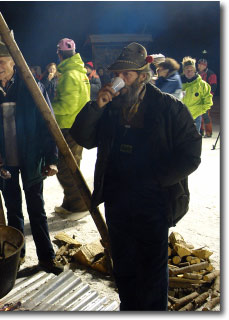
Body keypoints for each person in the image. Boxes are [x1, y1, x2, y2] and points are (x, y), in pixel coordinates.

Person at [70, 42, 202, 310]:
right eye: (116, 74)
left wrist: (156, 179)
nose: (119, 80)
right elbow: (82, 136)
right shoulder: (110, 107)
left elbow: (191, 154)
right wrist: (96, 106)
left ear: (143, 76)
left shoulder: (169, 108)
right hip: (117, 200)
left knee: (151, 272)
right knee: (125, 265)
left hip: (153, 202)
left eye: (126, 75)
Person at [0, 34, 62, 275]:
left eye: (2, 62)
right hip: (4, 160)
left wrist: (52, 158)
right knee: (12, 210)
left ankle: (46, 257)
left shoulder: (31, 86)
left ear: (14, 62)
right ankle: (18, 256)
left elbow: (48, 122)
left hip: (31, 158)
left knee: (36, 210)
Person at [52, 38, 90, 217]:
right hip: (77, 125)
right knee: (71, 167)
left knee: (66, 169)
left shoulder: (69, 75)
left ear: (59, 55)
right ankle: (70, 203)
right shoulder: (79, 72)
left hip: (69, 127)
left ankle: (80, 206)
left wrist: (48, 108)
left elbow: (67, 106)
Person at [180, 56, 213, 132]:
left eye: (191, 70)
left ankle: (208, 132)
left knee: (194, 140)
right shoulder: (177, 84)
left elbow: (208, 102)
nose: (189, 72)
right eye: (187, 70)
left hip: (195, 117)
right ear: (183, 71)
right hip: (180, 117)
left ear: (194, 70)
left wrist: (199, 111)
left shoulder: (202, 85)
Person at [197, 58, 217, 137]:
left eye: (201, 65)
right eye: (199, 64)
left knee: (205, 115)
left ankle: (208, 132)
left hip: (206, 97)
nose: (199, 66)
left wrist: (209, 96)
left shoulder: (211, 74)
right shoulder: (197, 73)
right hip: (198, 97)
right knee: (199, 114)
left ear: (205, 66)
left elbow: (213, 86)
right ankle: (201, 131)